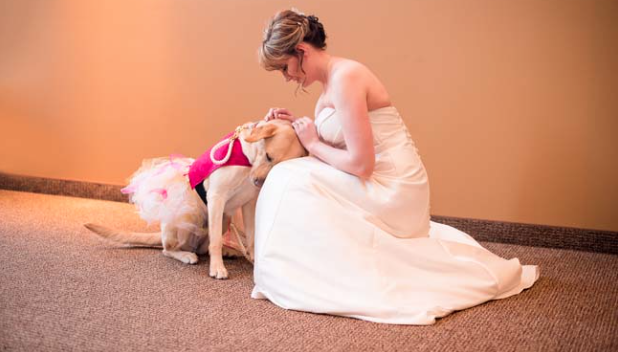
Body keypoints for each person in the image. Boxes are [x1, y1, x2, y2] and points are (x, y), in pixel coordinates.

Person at [251, 8, 538, 325]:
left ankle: (304, 273)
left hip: (393, 187)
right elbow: (334, 149)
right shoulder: (330, 85)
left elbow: (361, 165)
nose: (287, 76)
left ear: (302, 51)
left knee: (290, 179)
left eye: (285, 67)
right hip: (375, 178)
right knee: (289, 176)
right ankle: (305, 270)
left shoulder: (347, 77)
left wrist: (313, 143)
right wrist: (293, 127)